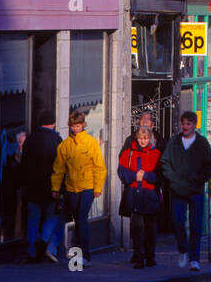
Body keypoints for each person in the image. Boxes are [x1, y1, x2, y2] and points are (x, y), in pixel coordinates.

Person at [160, 111, 211, 271]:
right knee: (177, 221)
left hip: (196, 189)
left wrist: (199, 179)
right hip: (178, 190)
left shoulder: (202, 143)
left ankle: (194, 259)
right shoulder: (174, 142)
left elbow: (208, 165)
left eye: (189, 124)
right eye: (183, 123)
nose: (185, 127)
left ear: (194, 125)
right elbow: (165, 162)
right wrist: (173, 178)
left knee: (196, 225)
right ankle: (183, 249)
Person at [51, 109, 106, 264]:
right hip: (71, 188)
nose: (76, 128)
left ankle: (84, 255)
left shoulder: (91, 142)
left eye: (78, 125)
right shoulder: (64, 146)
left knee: (81, 218)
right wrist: (55, 188)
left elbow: (99, 166)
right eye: (73, 126)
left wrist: (97, 187)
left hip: (87, 187)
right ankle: (77, 254)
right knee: (77, 219)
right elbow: (59, 169)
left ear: (83, 125)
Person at [118, 124, 162, 268]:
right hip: (134, 192)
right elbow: (121, 171)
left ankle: (150, 256)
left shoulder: (156, 153)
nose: (143, 141)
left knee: (150, 227)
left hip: (149, 193)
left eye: (146, 138)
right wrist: (134, 176)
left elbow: (161, 175)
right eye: (141, 138)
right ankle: (138, 257)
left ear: (150, 139)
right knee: (136, 227)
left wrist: (147, 176)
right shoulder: (128, 153)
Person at [22, 111, 63, 264]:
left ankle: (32, 252)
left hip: (32, 187)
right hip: (51, 187)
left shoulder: (30, 139)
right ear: (52, 123)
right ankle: (44, 241)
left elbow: (24, 164)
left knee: (33, 220)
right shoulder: (57, 140)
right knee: (52, 217)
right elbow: (62, 165)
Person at [0, 129, 27, 243]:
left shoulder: (28, 156)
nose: (22, 146)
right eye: (20, 143)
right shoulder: (12, 158)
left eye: (24, 143)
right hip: (15, 190)